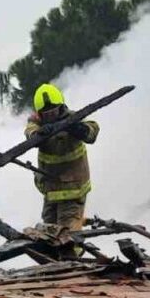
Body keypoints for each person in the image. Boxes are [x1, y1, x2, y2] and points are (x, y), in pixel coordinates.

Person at [24, 84, 99, 256]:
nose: (50, 115)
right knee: (49, 229)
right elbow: (30, 131)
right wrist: (40, 134)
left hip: (73, 189)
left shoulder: (73, 118)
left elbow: (92, 129)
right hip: (51, 189)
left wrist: (80, 129)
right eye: (46, 113)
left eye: (53, 111)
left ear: (61, 107)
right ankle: (53, 261)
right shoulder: (36, 121)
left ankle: (73, 261)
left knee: (68, 232)